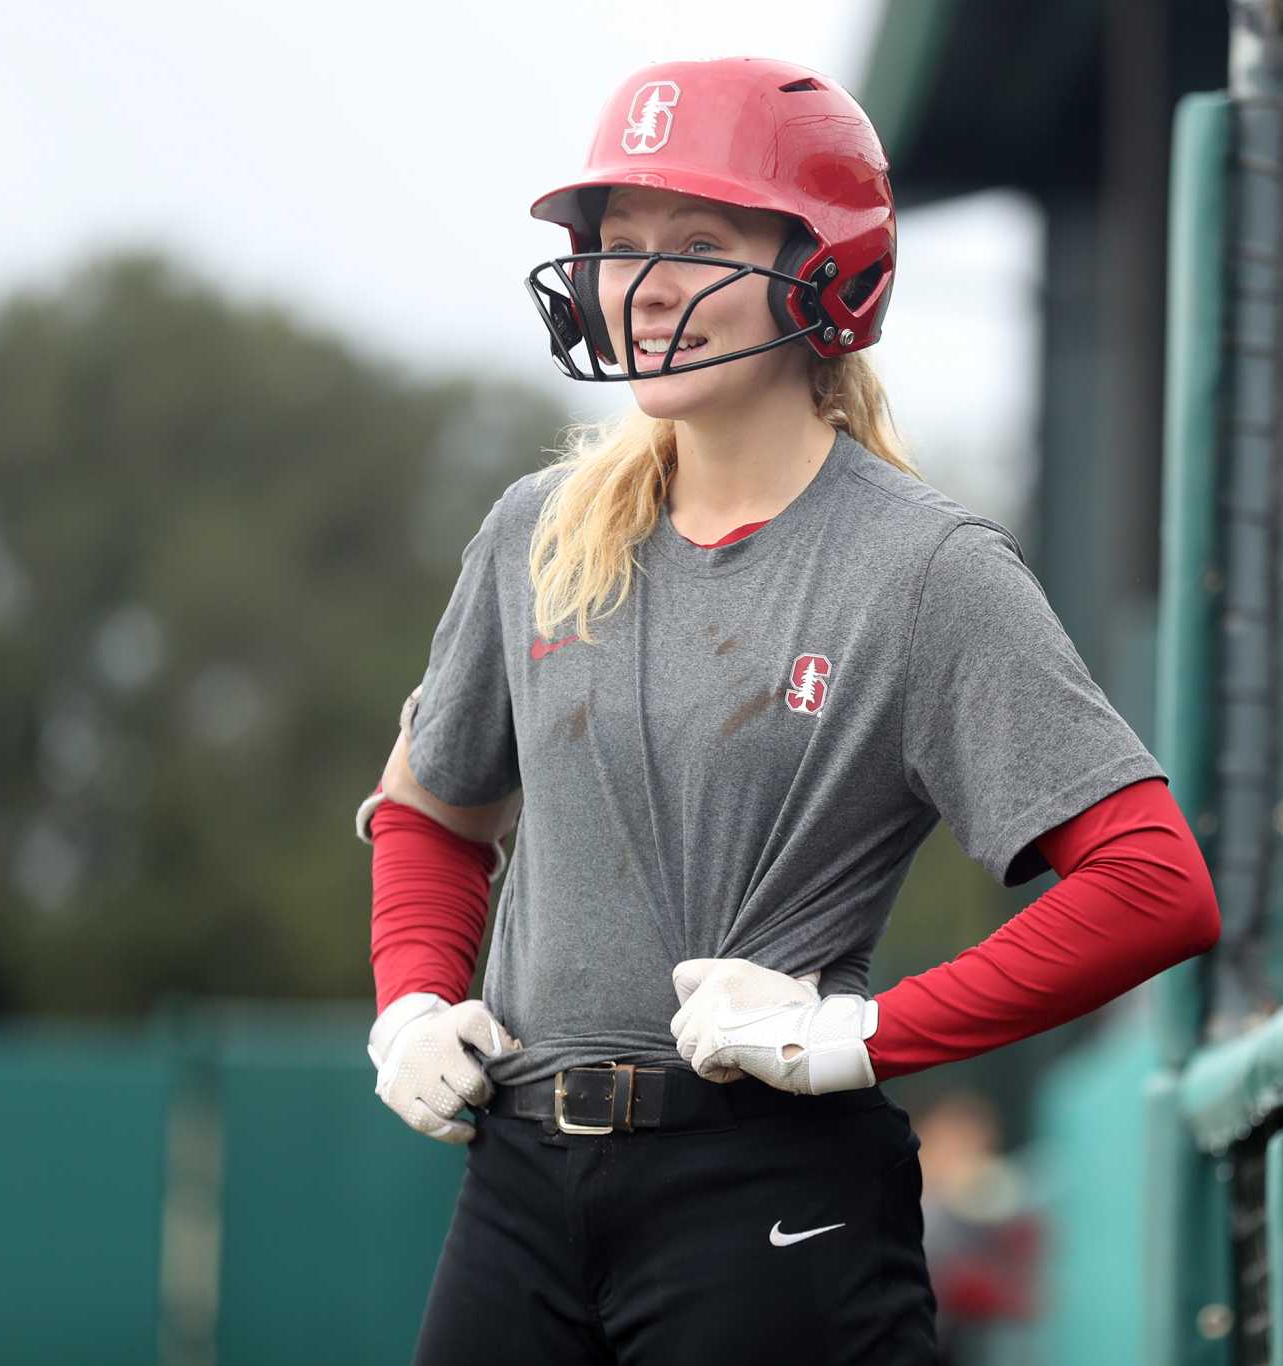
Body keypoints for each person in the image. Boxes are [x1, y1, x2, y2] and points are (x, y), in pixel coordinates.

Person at [354, 56, 1220, 1366]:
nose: (643, 284)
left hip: (767, 1190)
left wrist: (864, 1031)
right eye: (621, 244)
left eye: (699, 243)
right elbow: (432, 805)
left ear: (830, 270)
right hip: (520, 1188)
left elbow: (1157, 885)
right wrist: (412, 1001)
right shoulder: (534, 532)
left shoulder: (923, 567)